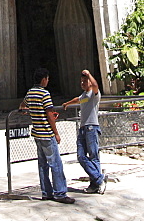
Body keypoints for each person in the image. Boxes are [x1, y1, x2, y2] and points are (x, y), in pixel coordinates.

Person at [21, 67, 75, 204]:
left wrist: (31, 111)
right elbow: (49, 113)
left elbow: (22, 106)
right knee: (55, 163)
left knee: (42, 164)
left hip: (37, 133)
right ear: (44, 79)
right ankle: (60, 193)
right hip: (46, 133)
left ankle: (46, 192)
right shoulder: (44, 93)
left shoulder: (30, 93)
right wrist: (56, 132)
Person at [63, 68, 106, 194]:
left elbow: (96, 85)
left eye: (85, 81)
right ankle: (99, 180)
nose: (82, 83)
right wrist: (67, 103)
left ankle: (96, 183)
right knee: (81, 156)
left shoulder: (94, 94)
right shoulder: (84, 95)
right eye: (81, 81)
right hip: (83, 128)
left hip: (92, 127)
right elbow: (78, 99)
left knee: (93, 157)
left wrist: (89, 75)